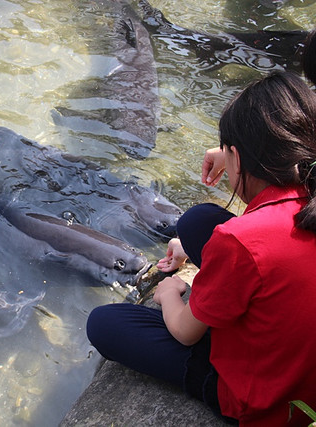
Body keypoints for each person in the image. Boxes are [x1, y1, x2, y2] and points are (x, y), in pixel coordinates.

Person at [86, 71, 316, 426]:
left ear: (237, 157)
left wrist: (169, 293)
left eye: (228, 153)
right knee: (196, 222)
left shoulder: (241, 240)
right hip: (302, 361)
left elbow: (185, 330)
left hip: (263, 400)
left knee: (104, 323)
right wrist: (233, 154)